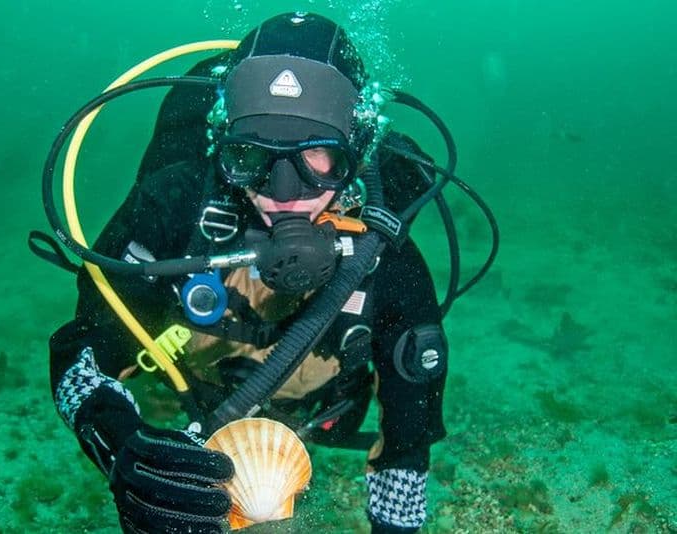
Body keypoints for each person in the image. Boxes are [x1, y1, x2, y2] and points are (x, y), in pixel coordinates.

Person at [43, 11, 480, 534]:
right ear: (221, 148)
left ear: (359, 151)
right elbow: (82, 352)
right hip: (189, 395)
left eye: (318, 156)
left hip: (322, 413)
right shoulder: (174, 207)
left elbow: (408, 433)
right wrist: (117, 446)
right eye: (250, 156)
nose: (282, 192)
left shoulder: (383, 252)